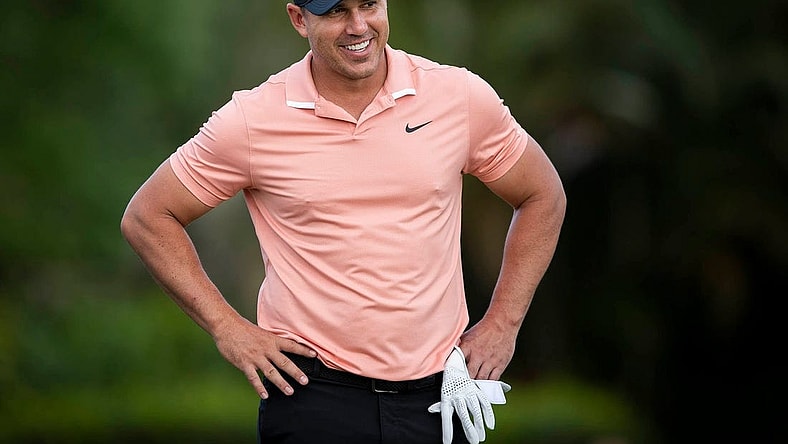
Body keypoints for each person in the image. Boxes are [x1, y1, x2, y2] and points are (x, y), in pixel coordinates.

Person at [120, 0, 566, 443]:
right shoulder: (252, 120)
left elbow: (542, 193)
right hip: (313, 397)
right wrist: (228, 329)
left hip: (438, 399)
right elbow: (148, 217)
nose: (358, 26)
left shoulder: (458, 97)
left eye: (368, 4)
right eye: (334, 11)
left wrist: (502, 325)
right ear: (299, 19)